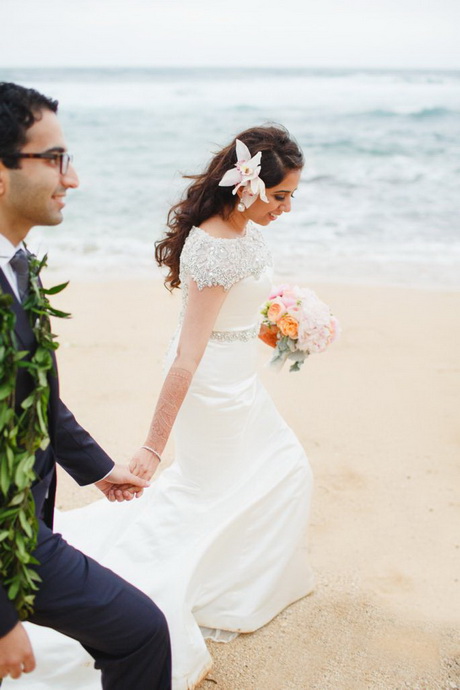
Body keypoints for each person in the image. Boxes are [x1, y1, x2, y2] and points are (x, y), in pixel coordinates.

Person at [9, 125, 315, 690]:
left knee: (280, 471)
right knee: (218, 488)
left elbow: (240, 306)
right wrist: (152, 445)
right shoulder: (211, 245)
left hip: (240, 377)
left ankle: (233, 582)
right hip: (213, 391)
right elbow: (186, 357)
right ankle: (165, 594)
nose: (287, 207)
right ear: (246, 186)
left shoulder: (244, 229)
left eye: (293, 195)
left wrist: (281, 324)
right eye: (280, 196)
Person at [0, 82, 172, 689]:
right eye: (54, 159)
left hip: (27, 529)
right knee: (141, 631)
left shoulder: (17, 264)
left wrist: (97, 470)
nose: (70, 179)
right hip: (8, 547)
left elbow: (36, 391)